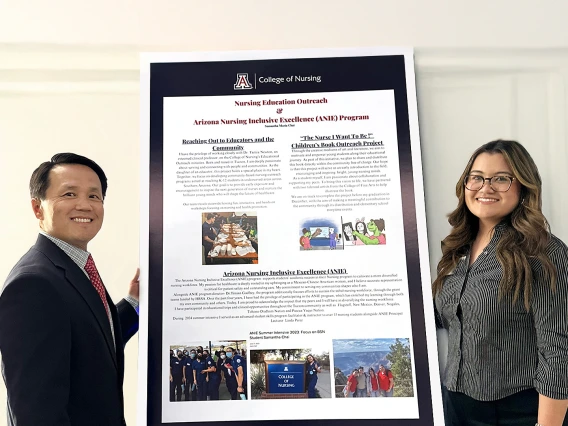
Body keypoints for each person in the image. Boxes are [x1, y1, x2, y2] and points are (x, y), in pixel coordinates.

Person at [433, 140, 568, 426]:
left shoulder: (544, 252)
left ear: (523, 186)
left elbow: (558, 349)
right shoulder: (456, 248)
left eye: (501, 179)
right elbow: (451, 317)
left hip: (520, 411)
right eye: (477, 177)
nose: (486, 187)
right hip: (457, 405)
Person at [0, 153, 140, 426]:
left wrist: (134, 302)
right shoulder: (32, 285)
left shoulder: (72, 266)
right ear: (37, 208)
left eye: (94, 196)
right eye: (69, 194)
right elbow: (35, 414)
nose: (84, 205)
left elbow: (87, 342)